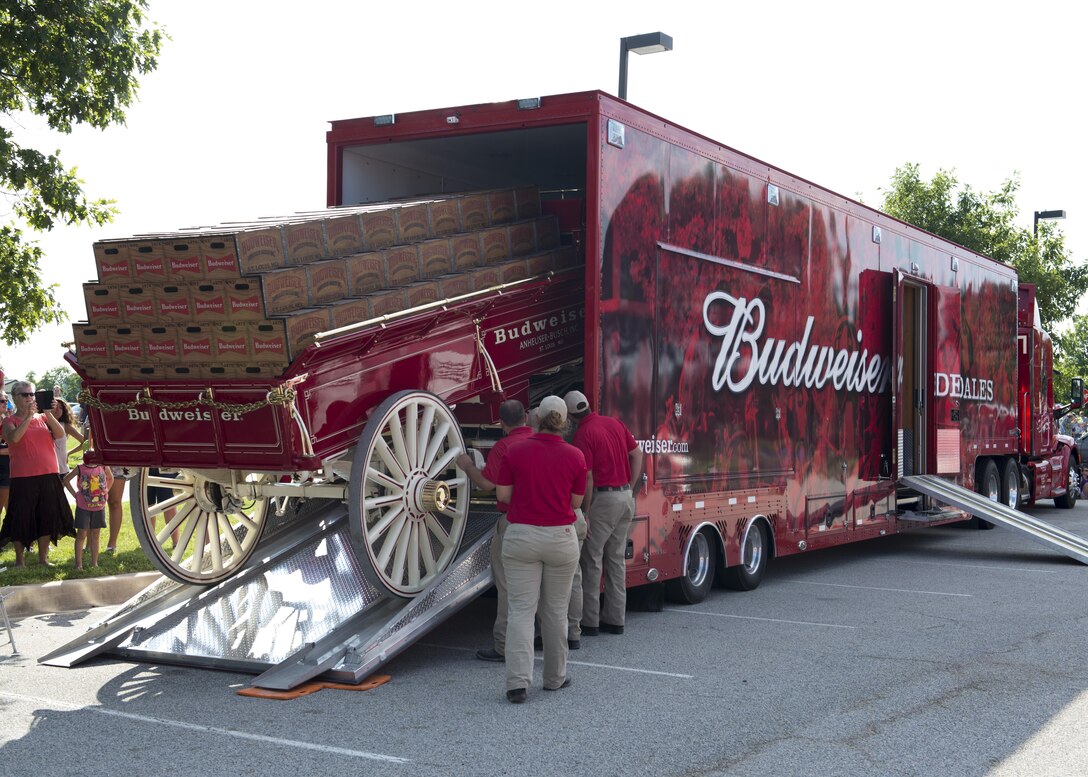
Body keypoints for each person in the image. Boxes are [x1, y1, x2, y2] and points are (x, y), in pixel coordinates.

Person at [493, 395, 585, 703]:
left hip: (521, 536)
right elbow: (576, 503)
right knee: (555, 612)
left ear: (535, 418)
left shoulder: (515, 451)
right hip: (560, 537)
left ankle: (517, 683)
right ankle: (555, 678)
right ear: (564, 420)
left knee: (521, 611)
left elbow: (503, 497)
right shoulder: (575, 456)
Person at [455, 399, 533, 662]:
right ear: (526, 417)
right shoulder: (539, 441)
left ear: (501, 423)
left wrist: (466, 466)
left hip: (513, 522)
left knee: (508, 586)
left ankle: (503, 644)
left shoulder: (505, 446)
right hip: (545, 523)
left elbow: (488, 484)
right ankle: (542, 636)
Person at [564, 389, 643, 637]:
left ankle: (590, 622)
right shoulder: (613, 422)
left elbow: (587, 477)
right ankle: (615, 619)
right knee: (616, 560)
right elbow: (637, 453)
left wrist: (584, 510)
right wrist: (631, 487)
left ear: (570, 415)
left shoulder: (583, 434)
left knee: (591, 559)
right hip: (624, 497)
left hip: (603, 499)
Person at [0, 381, 75, 567]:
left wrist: (47, 413)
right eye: (24, 395)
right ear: (15, 398)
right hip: (22, 476)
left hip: (49, 474)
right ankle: (20, 561)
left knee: (46, 515)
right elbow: (14, 438)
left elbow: (60, 434)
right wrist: (28, 417)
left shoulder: (42, 418)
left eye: (31, 394)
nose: (29, 398)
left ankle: (43, 559)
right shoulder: (9, 421)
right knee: (21, 517)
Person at [64, 452, 114, 570]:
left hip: (99, 506)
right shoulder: (80, 468)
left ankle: (94, 563)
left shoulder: (103, 466)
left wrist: (105, 492)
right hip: (83, 506)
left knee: (96, 533)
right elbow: (66, 480)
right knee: (82, 533)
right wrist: (75, 495)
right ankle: (78, 564)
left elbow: (110, 478)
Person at [52, 398, 85, 476]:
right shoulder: (41, 423)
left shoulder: (65, 426)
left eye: (60, 407)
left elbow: (85, 442)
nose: (58, 409)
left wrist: (69, 452)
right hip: (44, 469)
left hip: (61, 469)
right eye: (55, 406)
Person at [0, 393, 10, 527]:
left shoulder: (8, 422)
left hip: (6, 471)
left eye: (6, 400)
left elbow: (16, 448)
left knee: (11, 507)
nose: (5, 403)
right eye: (1, 401)